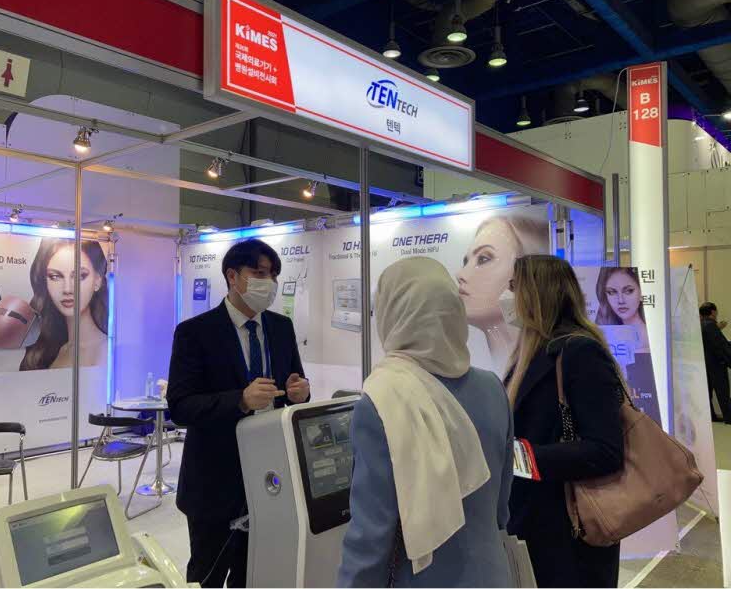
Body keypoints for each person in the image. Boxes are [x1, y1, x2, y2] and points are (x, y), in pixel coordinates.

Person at [338, 257, 513, 588]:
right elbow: (501, 509)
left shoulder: (382, 400)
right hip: (492, 575)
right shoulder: (492, 387)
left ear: (393, 314)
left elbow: (371, 537)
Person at [167, 238, 310, 587]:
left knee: (254, 574)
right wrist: (240, 401)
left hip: (270, 476)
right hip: (214, 481)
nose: (269, 283)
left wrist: (301, 393)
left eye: (273, 275)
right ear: (233, 276)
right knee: (208, 575)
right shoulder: (195, 333)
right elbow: (181, 406)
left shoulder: (281, 327)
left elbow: (294, 385)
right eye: (259, 273)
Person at [505, 255, 624, 588]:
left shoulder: (579, 353)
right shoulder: (533, 353)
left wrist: (518, 457)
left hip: (569, 528)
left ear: (537, 293)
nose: (507, 296)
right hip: (537, 521)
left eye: (513, 286)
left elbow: (605, 449)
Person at [456, 215, 548, 374]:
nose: (460, 275)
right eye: (466, 261)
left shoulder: (551, 361)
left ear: (525, 274)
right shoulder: (476, 368)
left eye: (483, 259)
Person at [19, 239, 108, 371]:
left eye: (79, 276)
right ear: (45, 282)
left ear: (97, 281)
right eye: (55, 276)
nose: (67, 289)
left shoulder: (105, 350)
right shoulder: (53, 349)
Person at [594, 267, 649, 352]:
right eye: (611, 292)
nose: (621, 300)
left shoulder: (647, 340)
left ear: (642, 292)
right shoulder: (606, 334)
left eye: (629, 291)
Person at [699, 302, 731, 424]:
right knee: (722, 391)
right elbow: (720, 346)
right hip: (716, 364)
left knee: (707, 393)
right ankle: (728, 416)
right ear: (713, 312)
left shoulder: (700, 325)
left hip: (704, 364)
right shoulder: (711, 326)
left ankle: (711, 416)